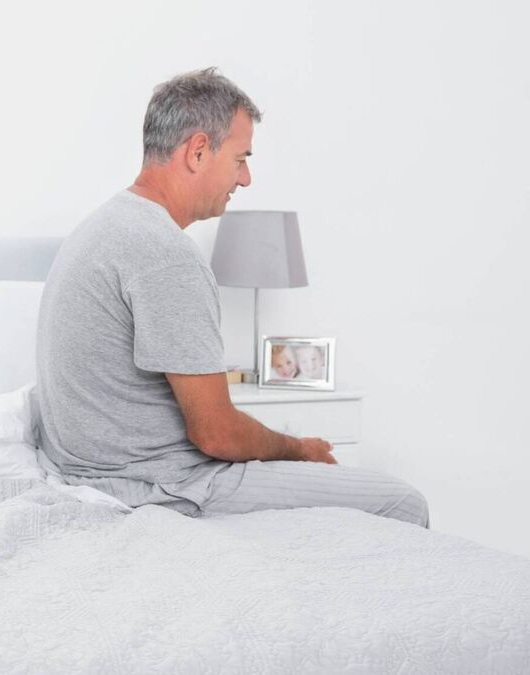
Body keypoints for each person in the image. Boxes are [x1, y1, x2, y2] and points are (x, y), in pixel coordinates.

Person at [33, 67, 428, 528]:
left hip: (92, 472)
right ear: (199, 151)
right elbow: (216, 434)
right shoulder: (166, 255)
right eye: (240, 159)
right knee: (403, 502)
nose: (246, 178)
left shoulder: (103, 225)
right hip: (163, 484)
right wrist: (299, 449)